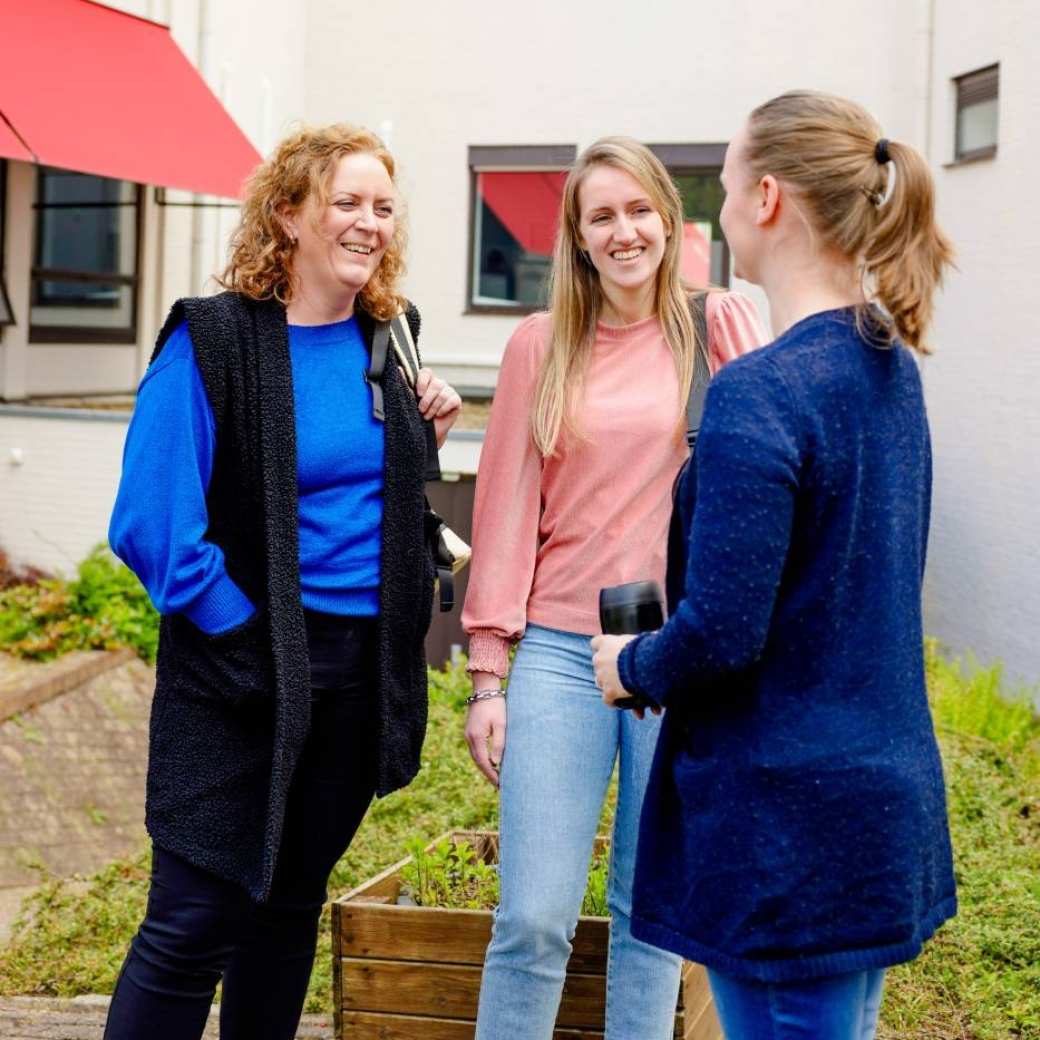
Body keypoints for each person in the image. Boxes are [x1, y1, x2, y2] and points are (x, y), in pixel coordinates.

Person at [592, 91, 958, 1040]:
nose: (712, 209)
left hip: (784, 837)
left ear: (765, 197)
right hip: (877, 812)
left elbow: (722, 632)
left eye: (722, 180)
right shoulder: (890, 366)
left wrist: (626, 667)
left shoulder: (761, 390)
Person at [103, 124, 460, 1040]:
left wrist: (432, 435)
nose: (369, 223)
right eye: (347, 202)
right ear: (290, 213)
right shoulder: (214, 340)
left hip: (359, 672)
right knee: (191, 926)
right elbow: (151, 524)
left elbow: (384, 498)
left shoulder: (394, 334)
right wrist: (244, 636)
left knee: (289, 909)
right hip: (238, 671)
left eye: (383, 207)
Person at [462, 136, 766, 1040]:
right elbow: (507, 509)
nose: (624, 230)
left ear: (671, 222)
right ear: (579, 237)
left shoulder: (725, 327)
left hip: (678, 654)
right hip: (559, 650)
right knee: (532, 920)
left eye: (640, 210)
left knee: (652, 919)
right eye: (603, 216)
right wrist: (488, 675)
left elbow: (768, 493)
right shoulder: (539, 345)